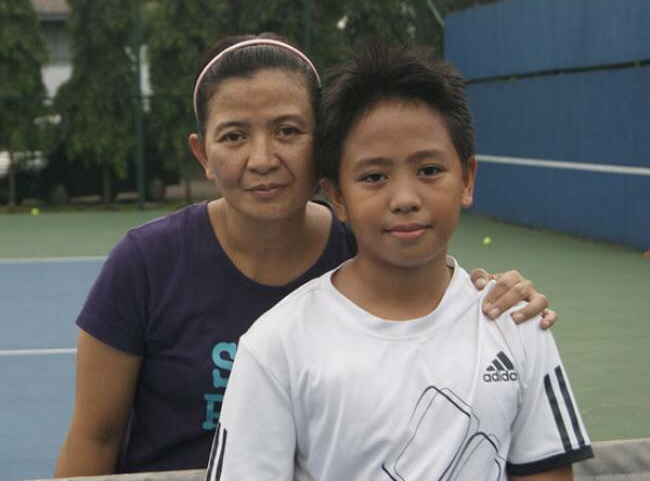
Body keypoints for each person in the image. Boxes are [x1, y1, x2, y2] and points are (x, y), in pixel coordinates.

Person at [55, 34, 555, 476]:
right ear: (202, 154)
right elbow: (94, 438)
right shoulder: (145, 263)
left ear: (324, 146)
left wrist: (503, 301)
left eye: (288, 130)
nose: (262, 159)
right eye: (233, 136)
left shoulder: (368, 246)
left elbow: (443, 314)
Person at [206, 41, 594, 480]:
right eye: (374, 177)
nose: (405, 199)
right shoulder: (275, 344)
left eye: (429, 170)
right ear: (337, 196)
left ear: (467, 180)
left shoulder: (516, 324)